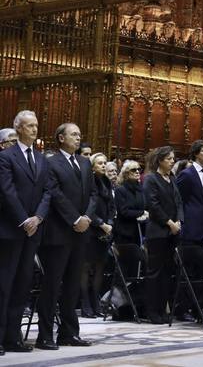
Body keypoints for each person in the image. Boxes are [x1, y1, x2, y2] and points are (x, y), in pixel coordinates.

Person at [36, 122, 97, 350]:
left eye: (80, 134)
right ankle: (45, 335)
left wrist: (87, 217)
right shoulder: (51, 162)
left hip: (81, 232)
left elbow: (93, 194)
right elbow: (54, 193)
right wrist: (75, 219)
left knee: (72, 285)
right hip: (59, 232)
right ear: (61, 138)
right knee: (52, 285)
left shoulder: (83, 162)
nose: (78, 138)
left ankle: (69, 333)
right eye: (73, 134)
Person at [0, 110, 49, 354]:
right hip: (12, 230)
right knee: (4, 284)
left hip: (33, 230)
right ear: (18, 128)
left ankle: (13, 337)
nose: (34, 129)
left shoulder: (41, 159)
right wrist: (24, 220)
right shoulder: (6, 157)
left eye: (36, 125)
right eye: (29, 125)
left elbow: (47, 192)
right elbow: (7, 192)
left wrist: (38, 217)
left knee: (22, 285)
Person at [143, 146, 183, 324]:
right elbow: (153, 204)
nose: (172, 161)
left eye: (173, 158)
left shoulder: (172, 178)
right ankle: (152, 311)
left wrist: (179, 221)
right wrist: (169, 222)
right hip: (158, 231)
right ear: (160, 161)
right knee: (155, 273)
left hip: (173, 232)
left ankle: (163, 309)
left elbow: (179, 201)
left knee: (167, 273)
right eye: (169, 159)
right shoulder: (151, 179)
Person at [176, 139, 203, 315]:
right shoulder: (187, 174)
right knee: (189, 271)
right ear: (196, 153)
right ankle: (184, 307)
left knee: (201, 271)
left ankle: (198, 308)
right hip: (190, 228)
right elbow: (179, 200)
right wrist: (182, 222)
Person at [80, 153, 115, 317]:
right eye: (100, 163)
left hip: (104, 231)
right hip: (91, 229)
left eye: (105, 163)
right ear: (92, 166)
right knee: (86, 268)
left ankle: (96, 302)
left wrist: (109, 223)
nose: (103, 165)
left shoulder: (107, 182)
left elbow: (112, 207)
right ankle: (85, 303)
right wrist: (101, 223)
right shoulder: (88, 181)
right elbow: (87, 207)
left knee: (100, 267)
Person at [114, 160, 147, 246]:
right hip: (125, 232)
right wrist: (142, 213)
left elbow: (144, 207)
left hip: (139, 231)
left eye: (139, 169)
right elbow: (124, 212)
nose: (137, 171)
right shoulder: (120, 190)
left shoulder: (140, 189)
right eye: (133, 170)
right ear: (126, 173)